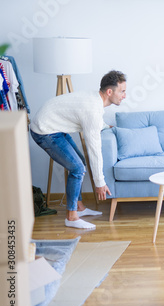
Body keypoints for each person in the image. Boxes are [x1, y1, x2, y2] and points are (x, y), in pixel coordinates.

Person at [30, 70, 127, 229]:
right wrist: (100, 182)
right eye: (122, 91)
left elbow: (90, 119)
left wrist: (104, 126)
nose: (124, 95)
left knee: (79, 162)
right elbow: (94, 149)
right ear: (110, 92)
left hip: (54, 126)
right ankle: (71, 217)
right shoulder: (92, 109)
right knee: (77, 168)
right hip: (44, 130)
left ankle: (79, 207)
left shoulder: (95, 99)